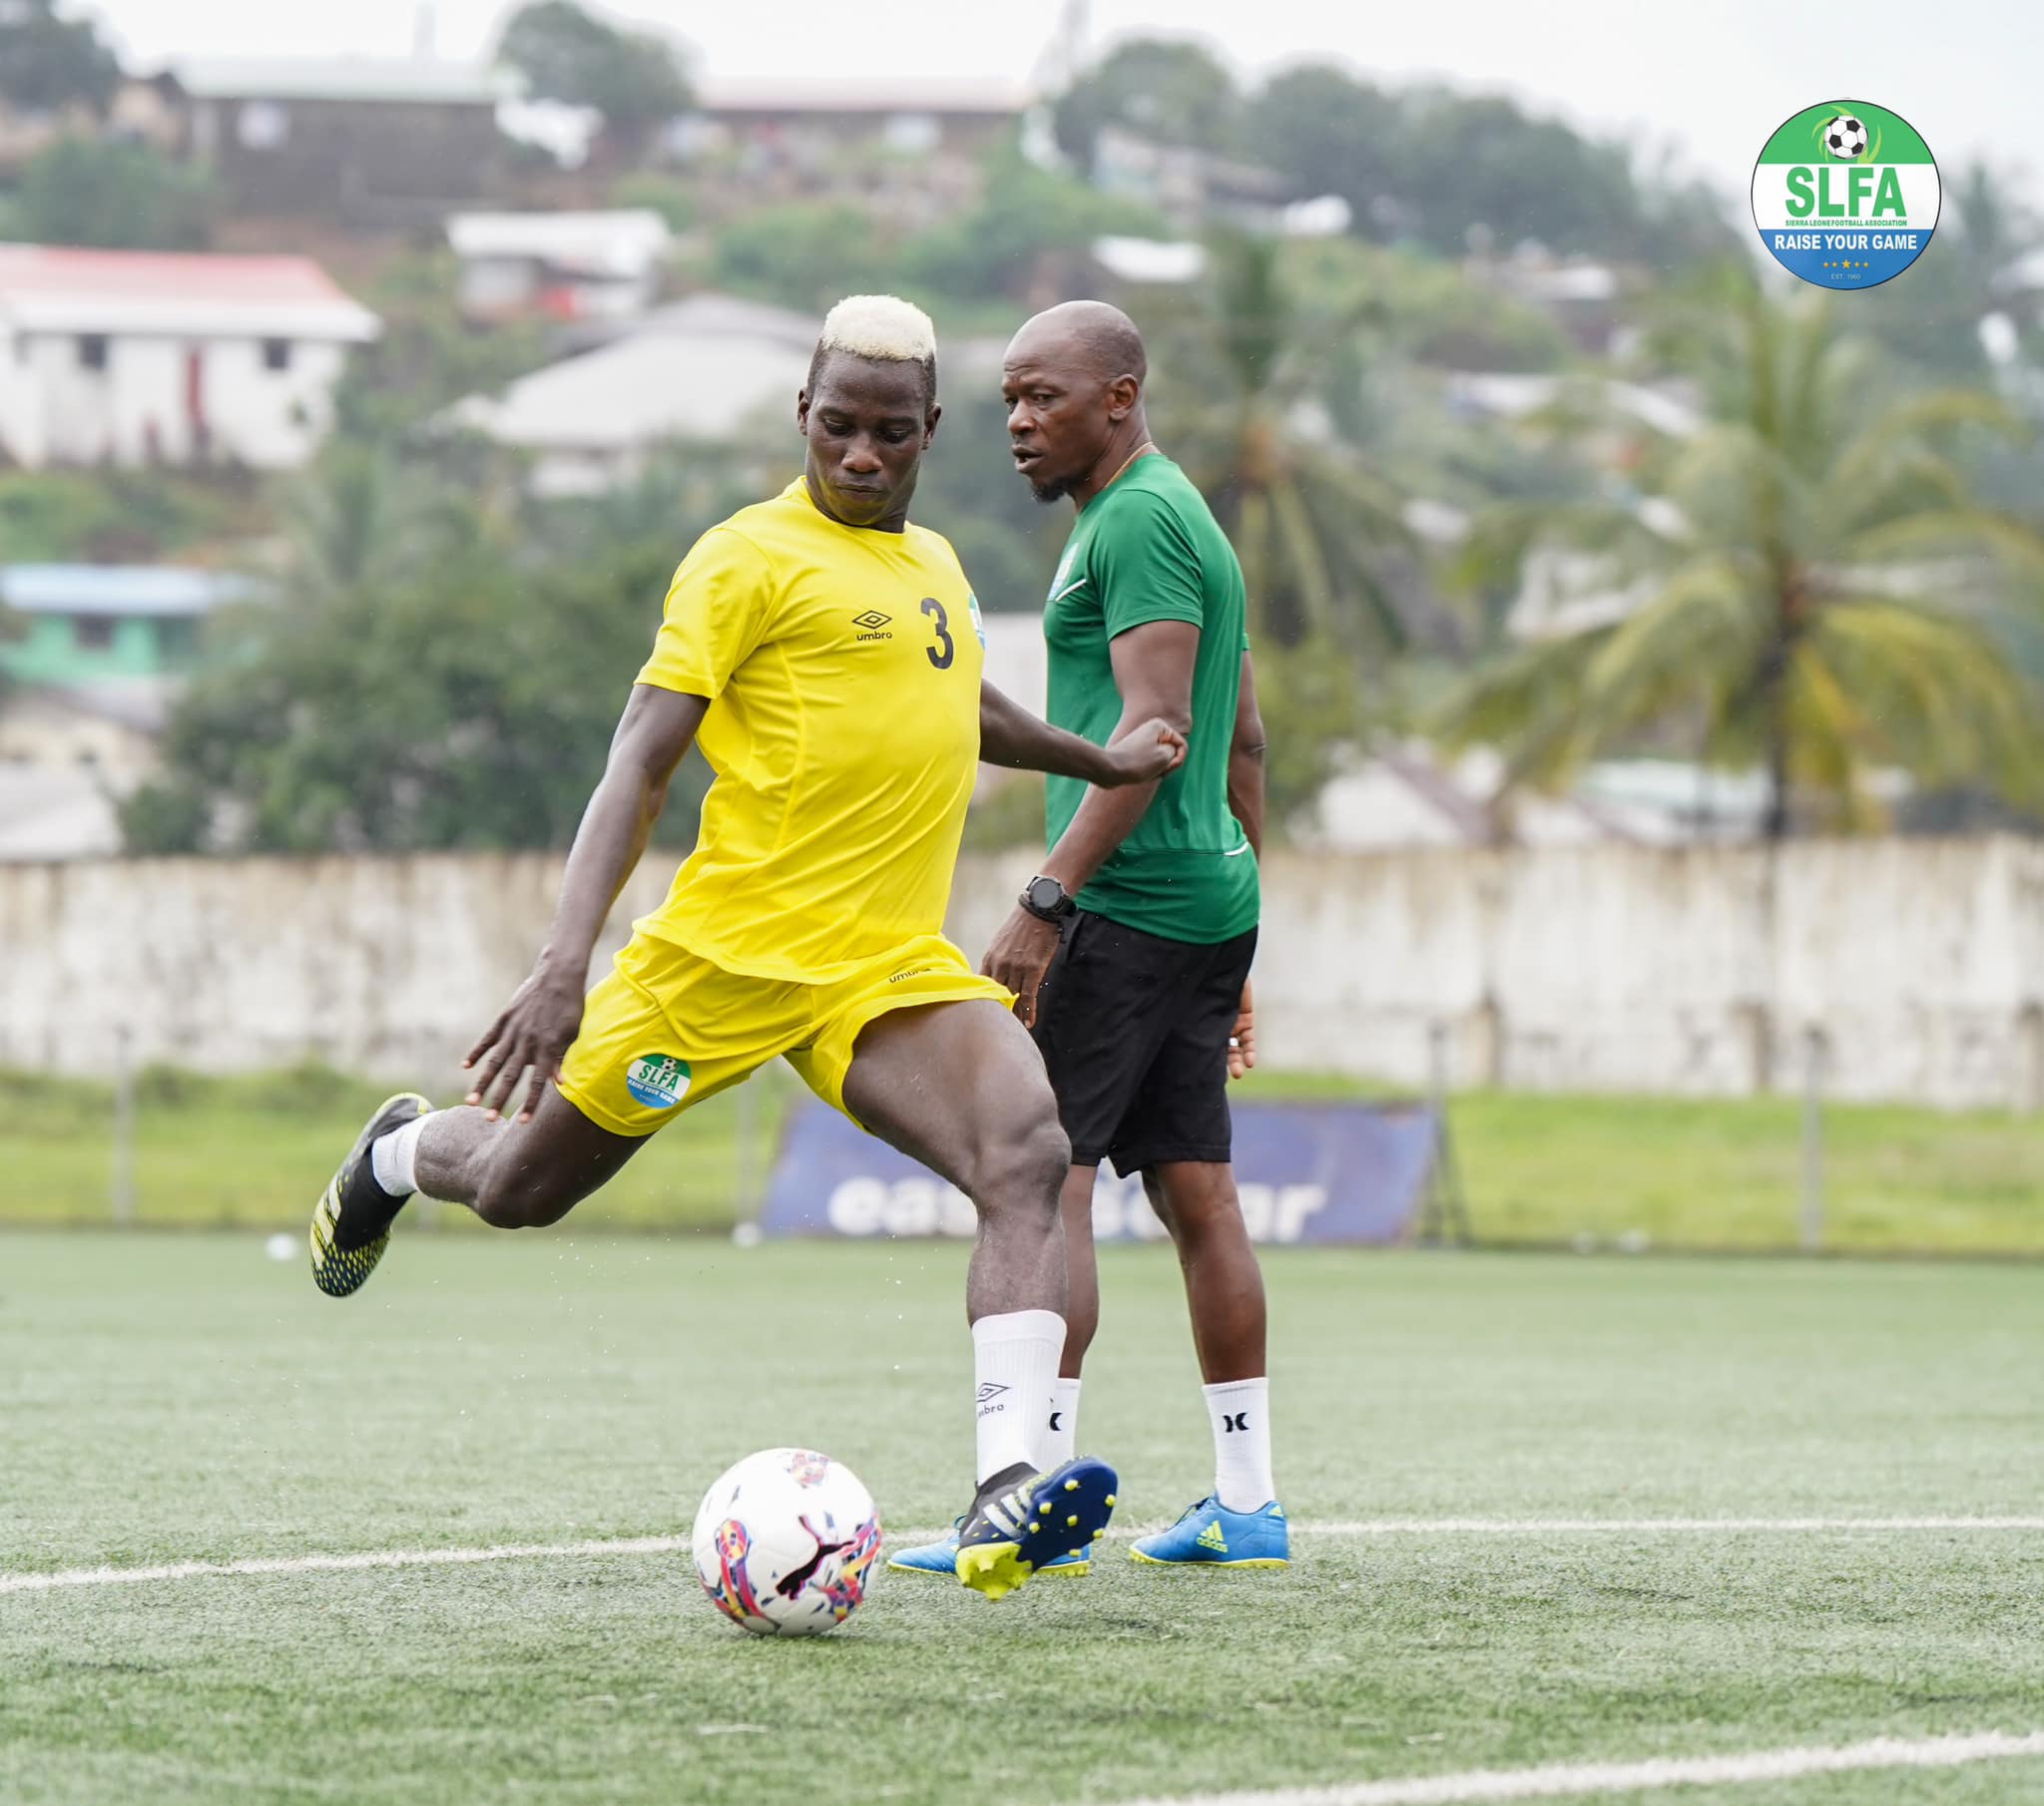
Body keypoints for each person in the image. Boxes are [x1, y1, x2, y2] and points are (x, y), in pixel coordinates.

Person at [306, 294, 1187, 1601]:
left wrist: (1094, 759)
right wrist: (563, 960)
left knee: (1026, 1147)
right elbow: (638, 761)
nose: (863, 455)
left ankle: (1005, 1481)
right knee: (519, 1189)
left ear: (930, 429)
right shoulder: (743, 559)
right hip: (720, 965)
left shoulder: (936, 564)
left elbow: (960, 703)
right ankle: (394, 1153)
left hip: (882, 968)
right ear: (803, 416)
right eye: (839, 427)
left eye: (891, 433)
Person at [891, 300, 1283, 1580]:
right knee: (1195, 1193)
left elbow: (1158, 733)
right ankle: (1246, 1503)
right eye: (1006, 398)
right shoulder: (1169, 515)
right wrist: (1239, 928)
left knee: (1040, 1181)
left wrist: (1046, 898)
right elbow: (1243, 737)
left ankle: (1032, 1502)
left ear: (1118, 397)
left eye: (1041, 396)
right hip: (1202, 900)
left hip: (1125, 904)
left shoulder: (1138, 521)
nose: (1016, 421)